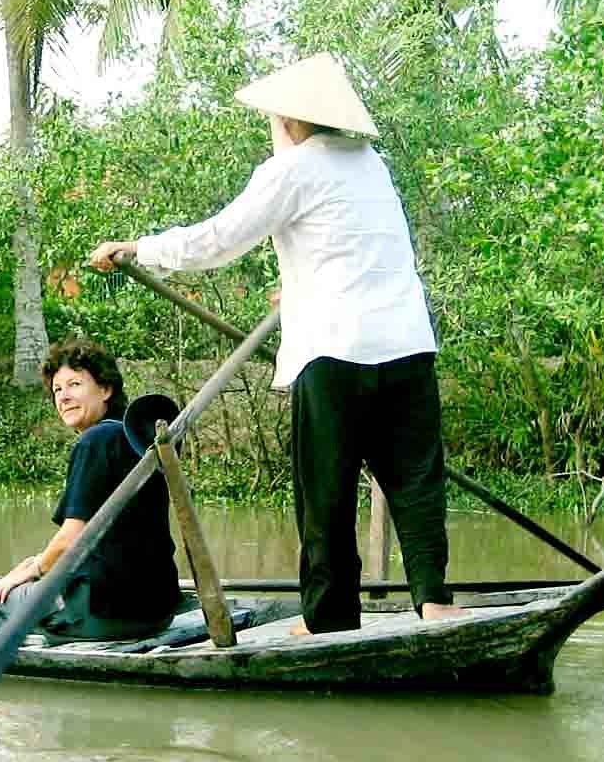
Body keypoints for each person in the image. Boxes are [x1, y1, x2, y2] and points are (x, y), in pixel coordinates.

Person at [87, 52, 462, 635]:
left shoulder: (291, 170)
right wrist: (296, 290)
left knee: (325, 491)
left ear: (289, 121)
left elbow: (216, 241)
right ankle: (434, 602)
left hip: (335, 353)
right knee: (415, 479)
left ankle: (328, 618)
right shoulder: (372, 165)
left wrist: (137, 247)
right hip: (407, 343)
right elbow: (356, 248)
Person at [0, 337, 181, 641]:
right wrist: (39, 561)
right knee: (19, 582)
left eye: (75, 385)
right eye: (57, 389)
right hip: (157, 612)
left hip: (107, 614)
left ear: (106, 389)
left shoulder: (94, 442)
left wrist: (36, 568)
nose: (63, 397)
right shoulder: (139, 443)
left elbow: (71, 541)